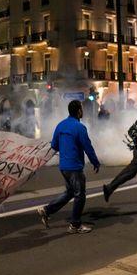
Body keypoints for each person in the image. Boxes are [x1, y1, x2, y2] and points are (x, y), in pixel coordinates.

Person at [37, 100, 100, 234]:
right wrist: (95, 162)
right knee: (80, 195)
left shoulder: (60, 125)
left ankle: (47, 210)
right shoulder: (79, 127)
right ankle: (75, 225)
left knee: (70, 192)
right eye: (81, 109)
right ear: (78, 111)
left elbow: (54, 145)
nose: (82, 111)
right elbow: (87, 147)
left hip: (63, 166)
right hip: (74, 167)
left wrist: (66, 147)